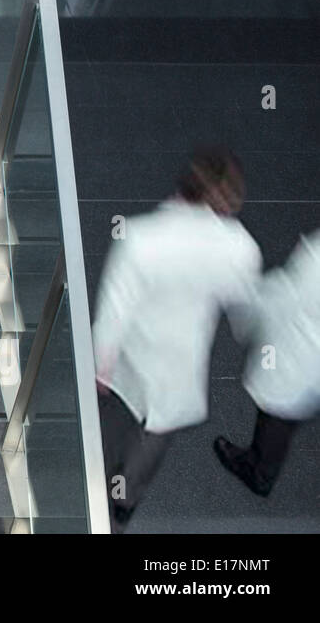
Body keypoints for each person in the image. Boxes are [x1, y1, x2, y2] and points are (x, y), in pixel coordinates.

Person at [91, 146, 261, 532]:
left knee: (110, 434)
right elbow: (245, 311)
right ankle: (125, 500)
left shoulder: (140, 238)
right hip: (180, 368)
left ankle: (96, 490)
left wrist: (100, 363)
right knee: (154, 438)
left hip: (131, 362)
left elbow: (115, 310)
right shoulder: (241, 248)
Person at [214, 227, 320, 496]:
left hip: (301, 363)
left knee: (276, 419)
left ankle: (260, 473)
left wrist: (245, 314)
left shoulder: (317, 260)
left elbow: (283, 300)